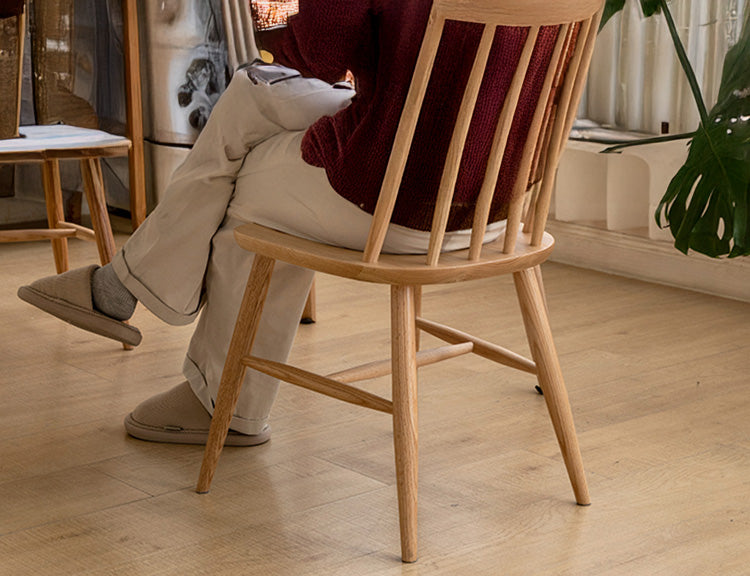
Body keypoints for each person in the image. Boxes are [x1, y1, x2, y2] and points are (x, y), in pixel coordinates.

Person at [18, 1, 560, 446]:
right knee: (251, 95)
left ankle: (220, 400)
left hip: (400, 201)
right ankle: (123, 287)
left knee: (246, 183)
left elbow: (316, 53)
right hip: (496, 206)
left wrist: (274, 14)